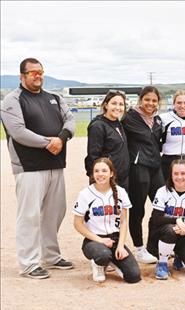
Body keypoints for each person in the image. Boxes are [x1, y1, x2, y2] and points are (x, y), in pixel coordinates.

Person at [1, 58, 75, 279]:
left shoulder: (54, 97)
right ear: (22, 76)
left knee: (54, 213)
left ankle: (51, 256)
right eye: (32, 72)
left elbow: (69, 121)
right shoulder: (12, 100)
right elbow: (18, 131)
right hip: (29, 167)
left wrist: (61, 139)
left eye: (40, 72)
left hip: (55, 164)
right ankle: (29, 263)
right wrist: (48, 142)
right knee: (30, 216)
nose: (37, 76)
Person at [73, 158, 141, 283]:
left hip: (114, 239)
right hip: (93, 240)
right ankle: (99, 264)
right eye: (96, 171)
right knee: (102, 254)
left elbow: (124, 221)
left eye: (104, 171)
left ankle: (112, 261)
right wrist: (100, 240)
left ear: (111, 173)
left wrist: (120, 246)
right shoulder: (85, 194)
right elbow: (77, 224)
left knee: (133, 276)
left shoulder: (121, 192)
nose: (100, 174)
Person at [121, 86, 165, 264]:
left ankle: (154, 246)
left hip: (156, 167)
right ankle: (139, 248)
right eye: (147, 99)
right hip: (138, 167)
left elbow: (158, 142)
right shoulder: (129, 117)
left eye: (154, 100)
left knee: (162, 206)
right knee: (137, 209)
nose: (150, 103)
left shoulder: (158, 120)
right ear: (140, 100)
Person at [149, 159, 185, 280]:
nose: (179, 177)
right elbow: (155, 219)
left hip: (182, 235)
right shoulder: (162, 191)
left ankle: (180, 255)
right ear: (171, 175)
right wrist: (176, 220)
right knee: (170, 230)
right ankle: (162, 264)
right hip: (161, 234)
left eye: (183, 173)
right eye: (176, 173)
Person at [84, 89, 129, 190]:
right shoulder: (98, 126)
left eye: (121, 104)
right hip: (107, 180)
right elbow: (93, 156)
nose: (118, 107)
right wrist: (97, 179)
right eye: (114, 103)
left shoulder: (118, 123)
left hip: (122, 179)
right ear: (106, 105)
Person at [160, 90, 185, 188]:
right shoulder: (163, 118)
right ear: (173, 104)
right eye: (179, 102)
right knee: (168, 192)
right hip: (169, 160)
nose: (182, 106)